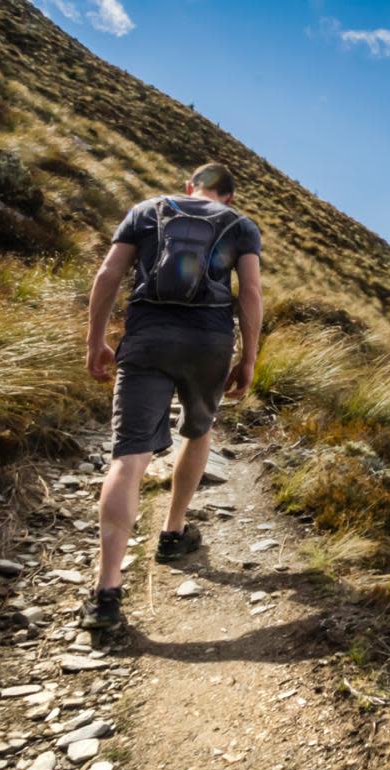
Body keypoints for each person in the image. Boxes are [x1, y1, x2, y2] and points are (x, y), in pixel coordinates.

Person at [79, 162, 263, 630]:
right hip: (209, 343)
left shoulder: (146, 211)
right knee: (197, 432)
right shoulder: (240, 226)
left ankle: (105, 592)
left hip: (147, 337)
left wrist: (96, 340)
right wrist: (249, 359)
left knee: (129, 457)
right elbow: (251, 294)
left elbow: (108, 273)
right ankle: (173, 532)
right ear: (229, 196)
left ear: (191, 188)